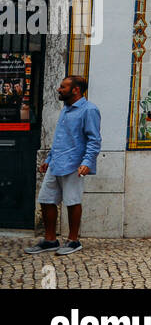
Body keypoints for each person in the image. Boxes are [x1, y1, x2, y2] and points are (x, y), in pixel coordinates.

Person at [25, 75, 100, 256]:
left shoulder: (89, 110)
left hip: (74, 164)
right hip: (56, 162)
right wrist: (49, 159)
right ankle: (50, 240)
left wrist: (87, 162)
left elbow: (94, 140)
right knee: (46, 199)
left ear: (75, 90)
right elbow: (60, 138)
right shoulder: (66, 109)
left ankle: (73, 241)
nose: (59, 89)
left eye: (63, 87)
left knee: (73, 201)